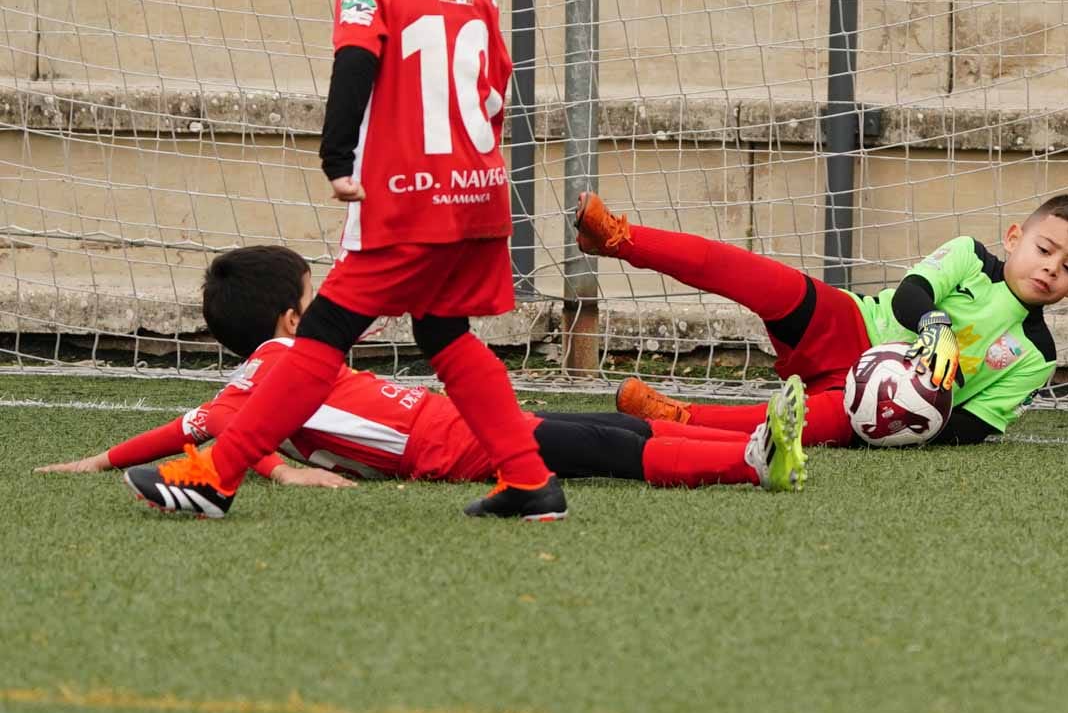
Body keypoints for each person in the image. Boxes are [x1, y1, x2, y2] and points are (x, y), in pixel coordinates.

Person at [127, 0, 563, 519]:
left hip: (406, 199)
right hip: (478, 193)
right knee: (443, 331)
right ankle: (529, 479)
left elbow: (355, 58)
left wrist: (336, 156)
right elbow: (497, 82)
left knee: (322, 333)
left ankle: (217, 476)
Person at [45, 246, 806, 497]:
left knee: (609, 430)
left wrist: (96, 458)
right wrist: (285, 473)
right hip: (440, 443)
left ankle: (751, 439)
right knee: (603, 448)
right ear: (285, 321)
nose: (321, 312)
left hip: (441, 429)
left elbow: (194, 426)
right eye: (311, 302)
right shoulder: (278, 364)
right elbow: (216, 428)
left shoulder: (264, 372)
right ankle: (749, 462)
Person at [576, 190, 1068, 447]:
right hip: (852, 326)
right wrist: (934, 326)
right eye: (1044, 249)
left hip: (872, 407)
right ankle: (621, 238)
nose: (1050, 267)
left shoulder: (1037, 356)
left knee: (791, 427)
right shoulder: (968, 254)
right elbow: (910, 297)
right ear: (1014, 238)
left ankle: (678, 419)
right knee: (758, 277)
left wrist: (912, 416)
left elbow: (978, 424)